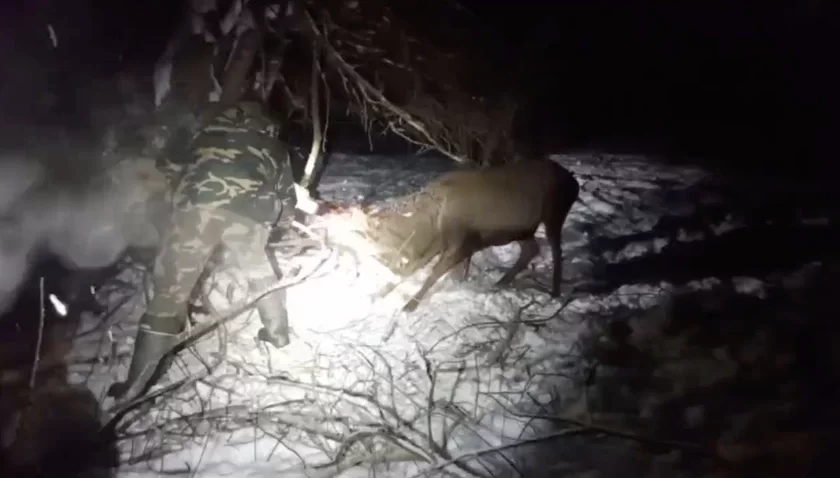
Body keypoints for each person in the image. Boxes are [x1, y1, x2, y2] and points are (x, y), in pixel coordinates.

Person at [107, 100, 296, 399]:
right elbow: (287, 203)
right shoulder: (275, 147)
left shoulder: (200, 137)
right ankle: (278, 333)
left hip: (195, 212)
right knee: (259, 272)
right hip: (250, 216)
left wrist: (171, 204)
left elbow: (165, 173)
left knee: (169, 293)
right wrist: (274, 222)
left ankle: (135, 385)